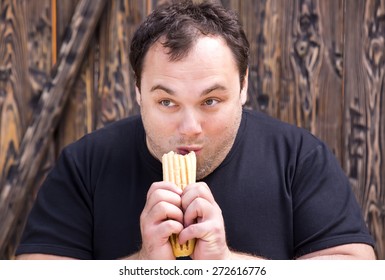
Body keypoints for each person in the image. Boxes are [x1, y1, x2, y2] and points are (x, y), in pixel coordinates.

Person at [16, 0, 375, 260]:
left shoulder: (300, 158)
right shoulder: (85, 164)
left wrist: (226, 266)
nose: (189, 129)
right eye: (167, 103)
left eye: (211, 101)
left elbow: (355, 268)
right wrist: (142, 268)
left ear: (244, 86)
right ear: (138, 91)